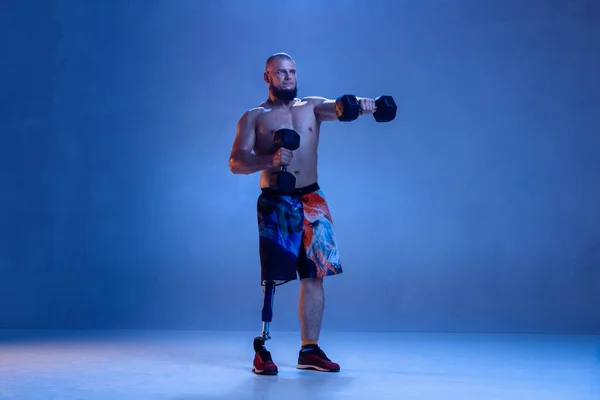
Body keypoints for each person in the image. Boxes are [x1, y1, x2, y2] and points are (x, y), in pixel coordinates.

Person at [228, 52, 376, 375]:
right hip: (276, 201)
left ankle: (309, 350)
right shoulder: (254, 117)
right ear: (267, 77)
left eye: (292, 72)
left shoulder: (310, 106)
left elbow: (338, 108)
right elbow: (236, 161)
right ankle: (263, 349)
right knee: (273, 277)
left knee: (315, 274)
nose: (288, 77)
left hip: (312, 199)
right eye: (280, 73)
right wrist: (269, 161)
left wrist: (366, 106)